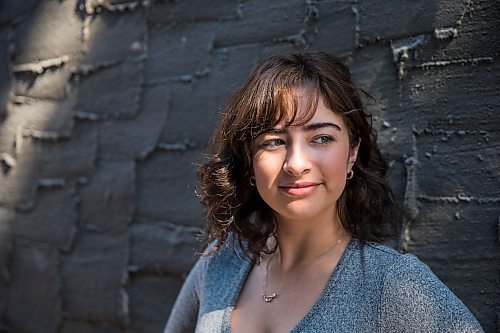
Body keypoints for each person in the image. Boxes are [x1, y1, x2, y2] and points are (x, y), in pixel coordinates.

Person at [164, 52, 484, 332]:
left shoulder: (392, 283)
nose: (296, 163)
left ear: (352, 152)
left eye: (321, 138)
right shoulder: (221, 260)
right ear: (249, 159)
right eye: (273, 141)